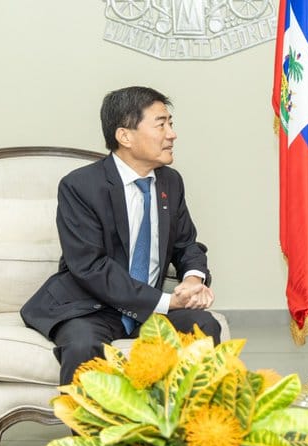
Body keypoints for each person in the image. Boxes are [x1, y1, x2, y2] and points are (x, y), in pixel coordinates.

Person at [21, 86, 221, 386]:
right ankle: (89, 434)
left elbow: (186, 244)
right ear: (125, 136)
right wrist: (165, 302)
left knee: (202, 326)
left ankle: (186, 428)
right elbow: (90, 267)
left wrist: (193, 280)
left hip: (149, 308)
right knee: (82, 347)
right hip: (91, 306)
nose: (172, 134)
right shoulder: (80, 186)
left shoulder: (170, 182)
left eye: (171, 123)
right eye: (161, 124)